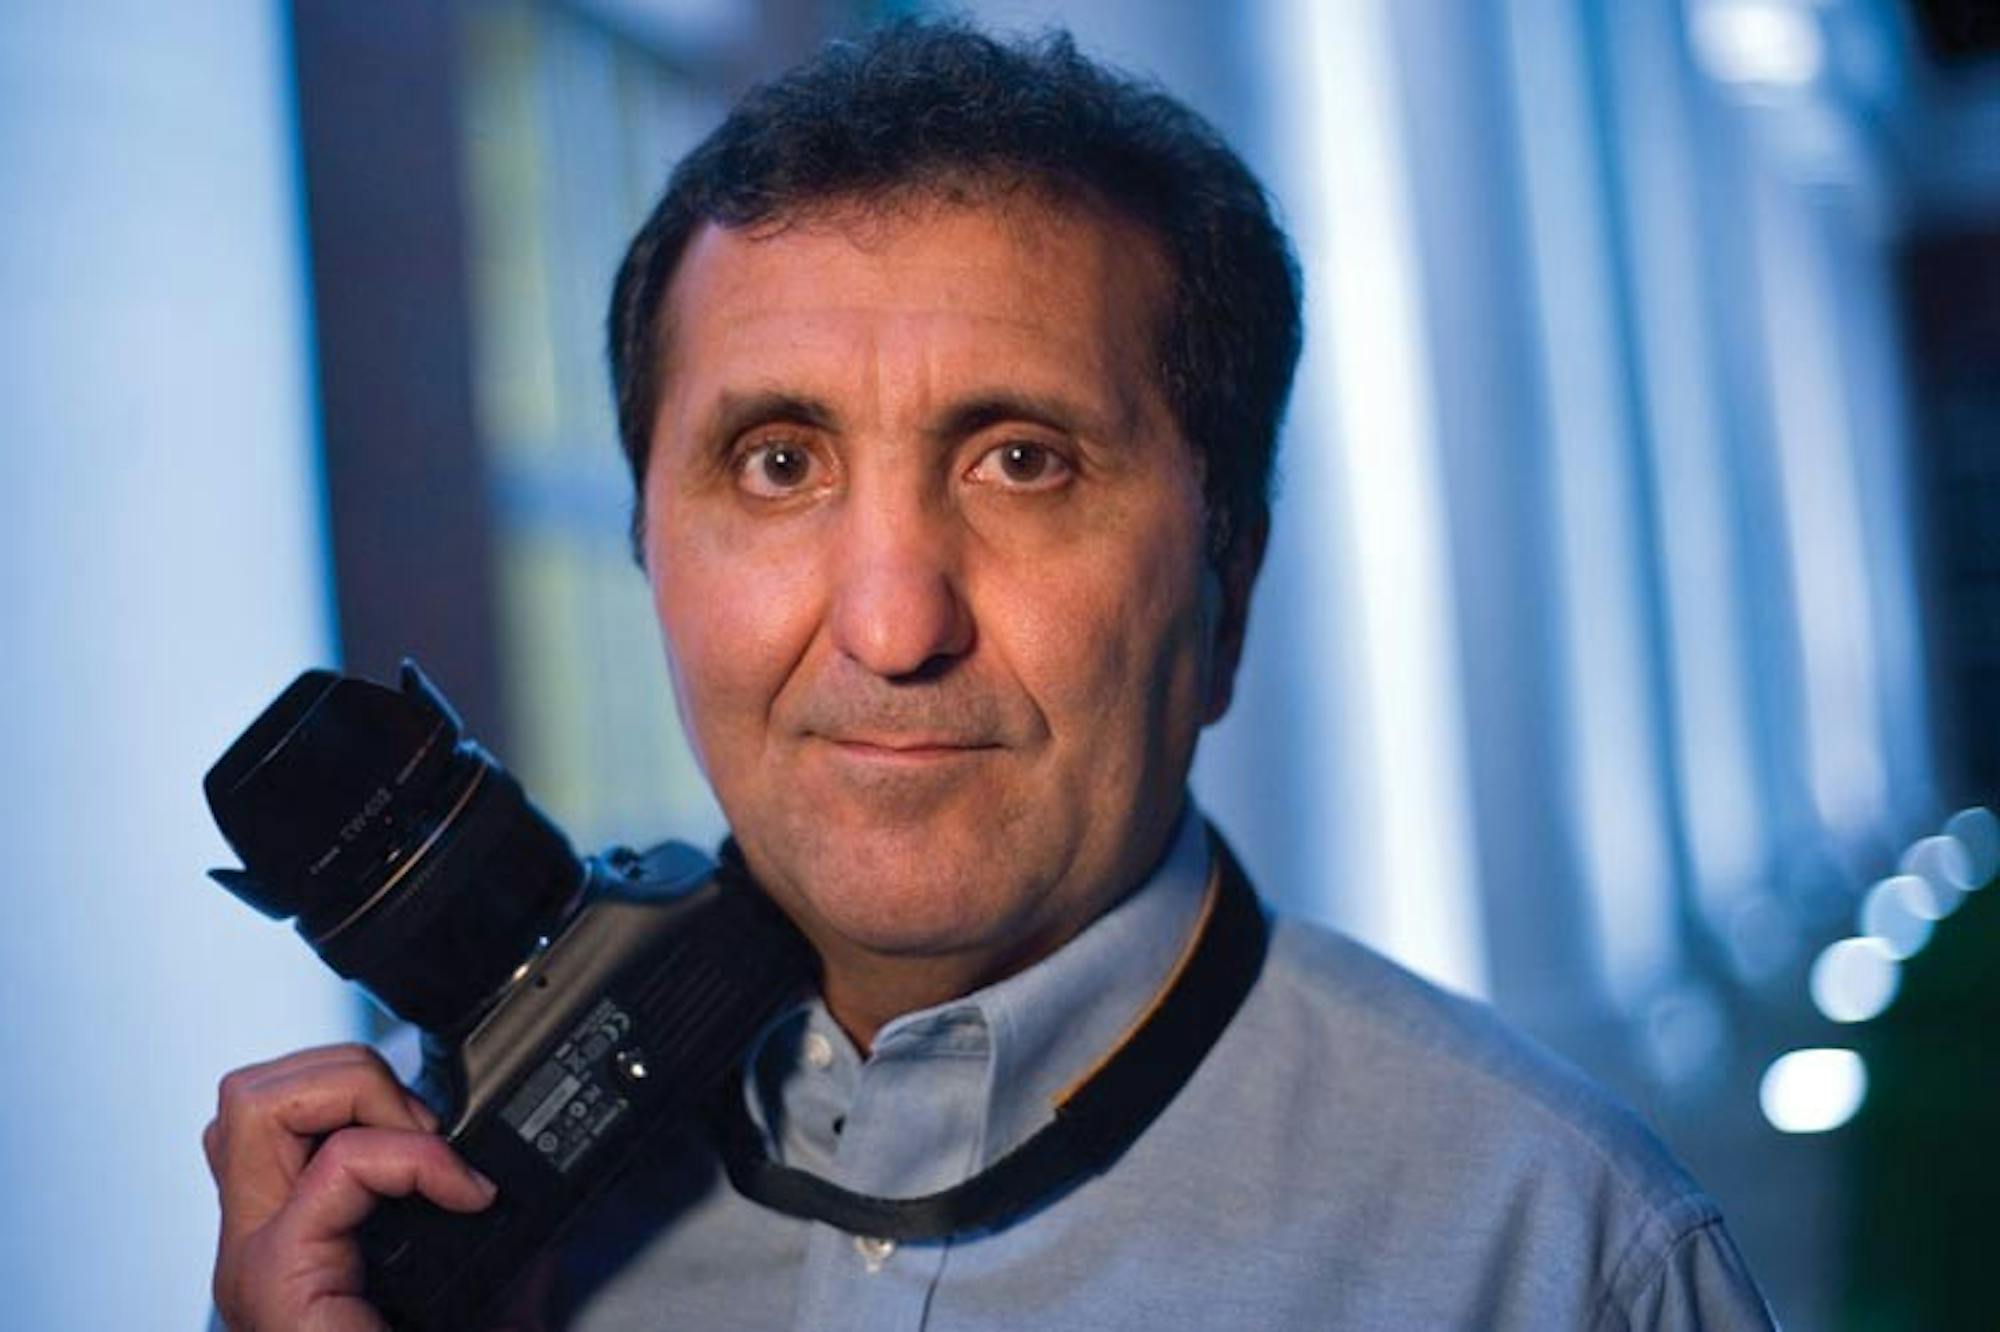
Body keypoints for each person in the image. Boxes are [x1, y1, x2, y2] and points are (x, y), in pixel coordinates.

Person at [204, 21, 1776, 1331]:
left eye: (1023, 461)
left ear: (1227, 586)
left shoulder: (1559, 1252)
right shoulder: (435, 1238)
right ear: (650, 557)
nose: (895, 627)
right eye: (778, 463)